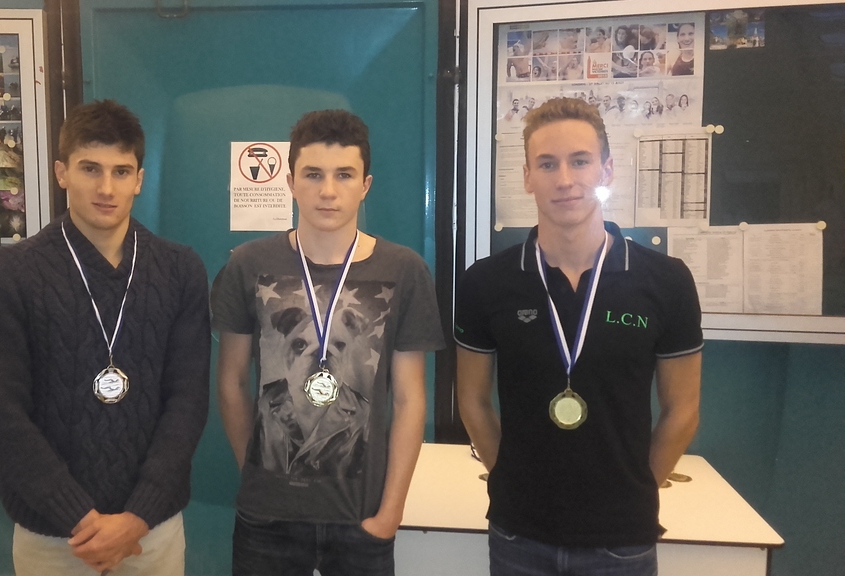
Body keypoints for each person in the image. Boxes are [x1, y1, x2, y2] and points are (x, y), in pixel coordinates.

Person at [455, 97, 702, 576]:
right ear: (527, 176)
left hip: (623, 538)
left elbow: (683, 410)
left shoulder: (666, 280)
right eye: (547, 164)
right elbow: (472, 401)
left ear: (606, 170)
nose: (565, 180)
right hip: (519, 533)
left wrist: (635, 490)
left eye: (580, 161)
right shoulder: (486, 282)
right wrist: (508, 479)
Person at [0, 100, 211, 576]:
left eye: (121, 171)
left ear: (139, 179)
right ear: (62, 173)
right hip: (54, 537)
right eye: (90, 168)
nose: (106, 188)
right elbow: (0, 415)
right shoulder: (10, 274)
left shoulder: (180, 269)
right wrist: (79, 517)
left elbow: (187, 403)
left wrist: (138, 516)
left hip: (151, 532)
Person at [211, 109, 444, 576]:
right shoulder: (248, 264)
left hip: (362, 516)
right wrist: (257, 475)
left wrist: (391, 512)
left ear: (366, 185)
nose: (328, 191)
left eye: (344, 175)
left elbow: (409, 397)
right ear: (291, 182)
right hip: (267, 520)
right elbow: (232, 383)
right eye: (313, 175)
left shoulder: (404, 269)